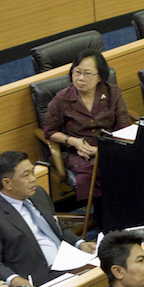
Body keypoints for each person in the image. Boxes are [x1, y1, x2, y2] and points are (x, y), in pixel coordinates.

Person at [0, 151, 96, 287]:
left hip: (71, 260)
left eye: (33, 172)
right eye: (26, 175)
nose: (33, 179)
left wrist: (80, 244)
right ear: (7, 183)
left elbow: (57, 226)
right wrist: (14, 280)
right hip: (42, 277)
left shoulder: (38, 193)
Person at [43, 49, 131, 204]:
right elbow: (50, 132)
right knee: (92, 174)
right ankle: (102, 216)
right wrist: (73, 141)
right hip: (79, 153)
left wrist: (104, 150)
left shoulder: (113, 93)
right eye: (77, 72)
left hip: (110, 147)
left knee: (124, 166)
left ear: (100, 76)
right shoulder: (62, 99)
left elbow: (124, 127)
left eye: (87, 73)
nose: (80, 78)